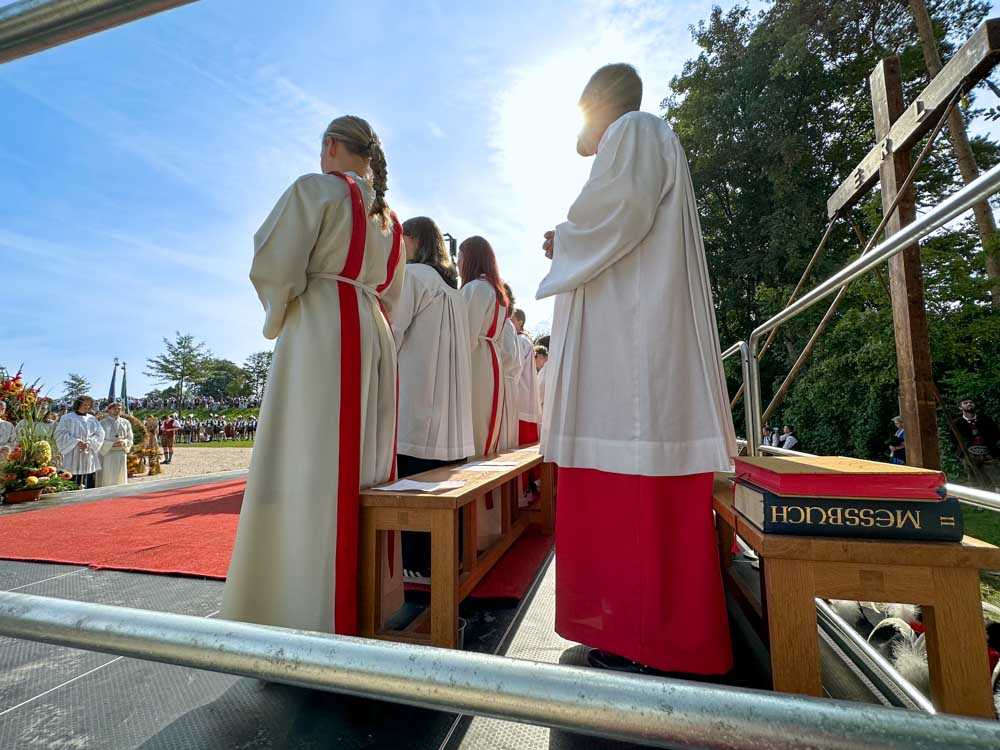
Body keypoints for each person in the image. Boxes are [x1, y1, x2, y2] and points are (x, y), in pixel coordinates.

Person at [537, 63, 737, 676]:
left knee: (635, 487)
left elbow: (620, 212)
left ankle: (656, 641)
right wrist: (570, 239)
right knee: (620, 491)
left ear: (598, 103)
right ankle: (629, 632)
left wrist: (563, 239)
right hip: (626, 341)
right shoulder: (642, 137)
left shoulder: (635, 130)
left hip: (632, 348)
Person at [223, 115, 405, 635]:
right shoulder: (387, 219)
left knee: (306, 465)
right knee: (363, 465)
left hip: (322, 328)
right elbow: (392, 288)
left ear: (330, 147)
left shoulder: (315, 189)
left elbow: (273, 264)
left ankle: (300, 608)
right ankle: (363, 603)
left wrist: (279, 311)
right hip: (370, 330)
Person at [393, 216, 475, 580]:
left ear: (414, 240)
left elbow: (392, 330)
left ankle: (416, 564)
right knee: (445, 480)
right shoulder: (454, 292)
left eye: (403, 238)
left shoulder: (413, 277)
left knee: (415, 480)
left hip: (418, 392)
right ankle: (449, 557)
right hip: (450, 403)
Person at [459, 236, 508, 550]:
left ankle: (475, 536)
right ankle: (487, 529)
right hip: (490, 366)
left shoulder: (475, 289)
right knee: (486, 445)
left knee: (476, 447)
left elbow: (463, 334)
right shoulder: (494, 290)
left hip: (476, 365)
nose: (459, 261)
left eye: (462, 255)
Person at [55, 396, 105, 489]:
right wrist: (76, 442)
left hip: (88, 452)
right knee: (71, 480)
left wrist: (89, 442)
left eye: (89, 405)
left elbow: (100, 433)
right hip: (72, 452)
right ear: (78, 404)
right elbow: (60, 433)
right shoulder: (67, 418)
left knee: (88, 480)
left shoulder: (92, 419)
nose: (87, 407)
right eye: (85, 404)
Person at [512, 309, 542, 447]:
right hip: (524, 396)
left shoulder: (520, 340)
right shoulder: (523, 339)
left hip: (520, 396)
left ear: (520, 322)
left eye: (512, 320)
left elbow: (515, 367)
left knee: (521, 443)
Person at [955, 399, 1000, 491]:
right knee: (974, 482)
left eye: (971, 402)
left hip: (988, 453)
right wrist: (961, 454)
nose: (969, 404)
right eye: (965, 403)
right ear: (960, 407)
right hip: (969, 455)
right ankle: (979, 504)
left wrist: (992, 447)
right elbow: (953, 440)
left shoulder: (985, 419)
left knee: (997, 479)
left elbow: (996, 434)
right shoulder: (956, 423)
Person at [498, 285, 522, 451]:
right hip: (508, 385)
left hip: (503, 385)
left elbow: (507, 356)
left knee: (503, 442)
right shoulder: (508, 325)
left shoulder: (506, 325)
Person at [97, 401, 133, 487]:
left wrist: (124, 442)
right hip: (108, 453)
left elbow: (130, 437)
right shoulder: (102, 423)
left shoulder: (126, 422)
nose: (117, 410)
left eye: (119, 409)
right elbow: (98, 439)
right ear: (109, 410)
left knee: (120, 476)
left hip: (121, 453)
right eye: (114, 409)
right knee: (108, 476)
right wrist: (111, 444)